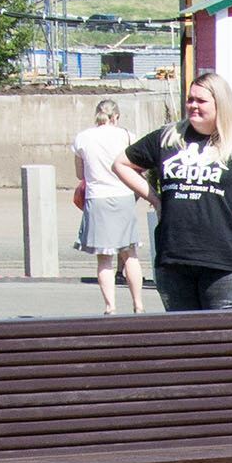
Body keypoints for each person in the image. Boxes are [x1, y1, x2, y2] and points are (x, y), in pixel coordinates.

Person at [112, 71, 232, 312]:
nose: (193, 105)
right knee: (185, 344)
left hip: (227, 263)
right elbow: (121, 163)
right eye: (190, 99)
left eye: (201, 101)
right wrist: (155, 199)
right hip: (175, 260)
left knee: (224, 345)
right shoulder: (169, 137)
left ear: (220, 103)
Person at [72, 98, 147, 315]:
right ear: (116, 116)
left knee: (104, 258)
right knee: (130, 254)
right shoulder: (127, 136)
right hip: (124, 195)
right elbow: (139, 168)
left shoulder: (82, 138)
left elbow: (80, 174)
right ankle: (138, 304)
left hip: (97, 198)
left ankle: (110, 307)